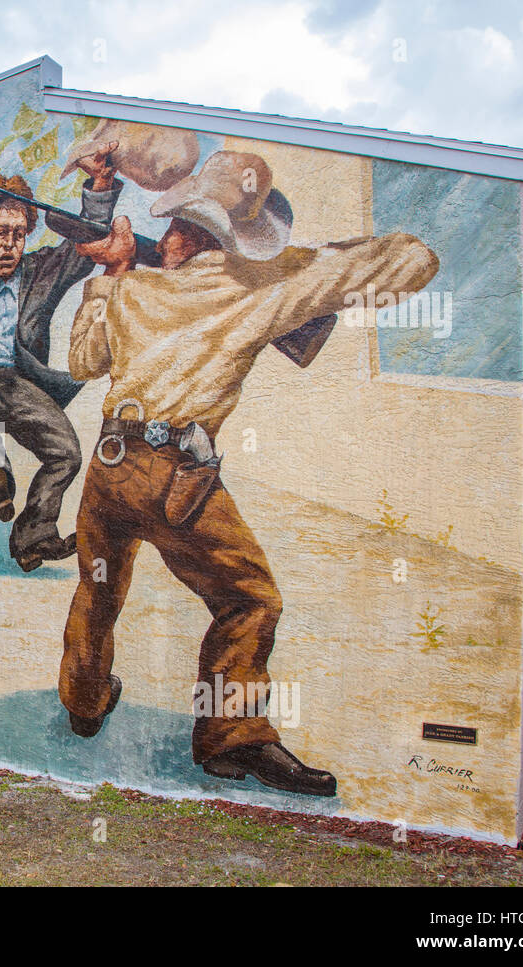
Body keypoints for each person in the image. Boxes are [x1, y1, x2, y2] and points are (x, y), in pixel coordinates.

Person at [59, 150, 441, 797]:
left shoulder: (134, 288)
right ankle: (229, 738)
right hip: (176, 479)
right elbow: (414, 261)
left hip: (109, 466)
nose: (172, 237)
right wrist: (311, 265)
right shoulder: (267, 284)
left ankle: (85, 704)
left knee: (99, 591)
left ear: (181, 232)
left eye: (177, 226)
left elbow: (81, 360)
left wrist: (112, 274)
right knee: (249, 599)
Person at [0, 141, 123, 572]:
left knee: (67, 453)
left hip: (26, 386)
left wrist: (100, 184)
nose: (10, 245)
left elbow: (87, 240)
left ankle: (33, 537)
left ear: (27, 235)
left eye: (18, 234)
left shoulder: (44, 269)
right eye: (1, 234)